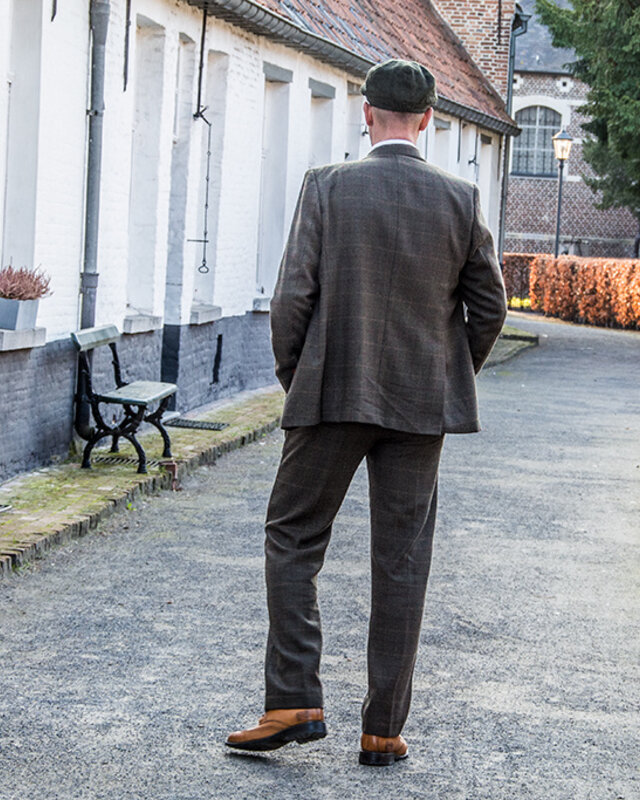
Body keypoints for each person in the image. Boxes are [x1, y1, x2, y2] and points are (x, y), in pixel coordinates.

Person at [226, 59, 507, 766]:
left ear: (365, 112)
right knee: (404, 560)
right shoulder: (463, 198)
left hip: (330, 391)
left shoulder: (328, 187)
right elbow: (490, 307)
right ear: (429, 120)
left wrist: (300, 376)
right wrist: (447, 375)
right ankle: (383, 730)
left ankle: (292, 698)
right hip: (422, 403)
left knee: (292, 538)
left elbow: (292, 299)